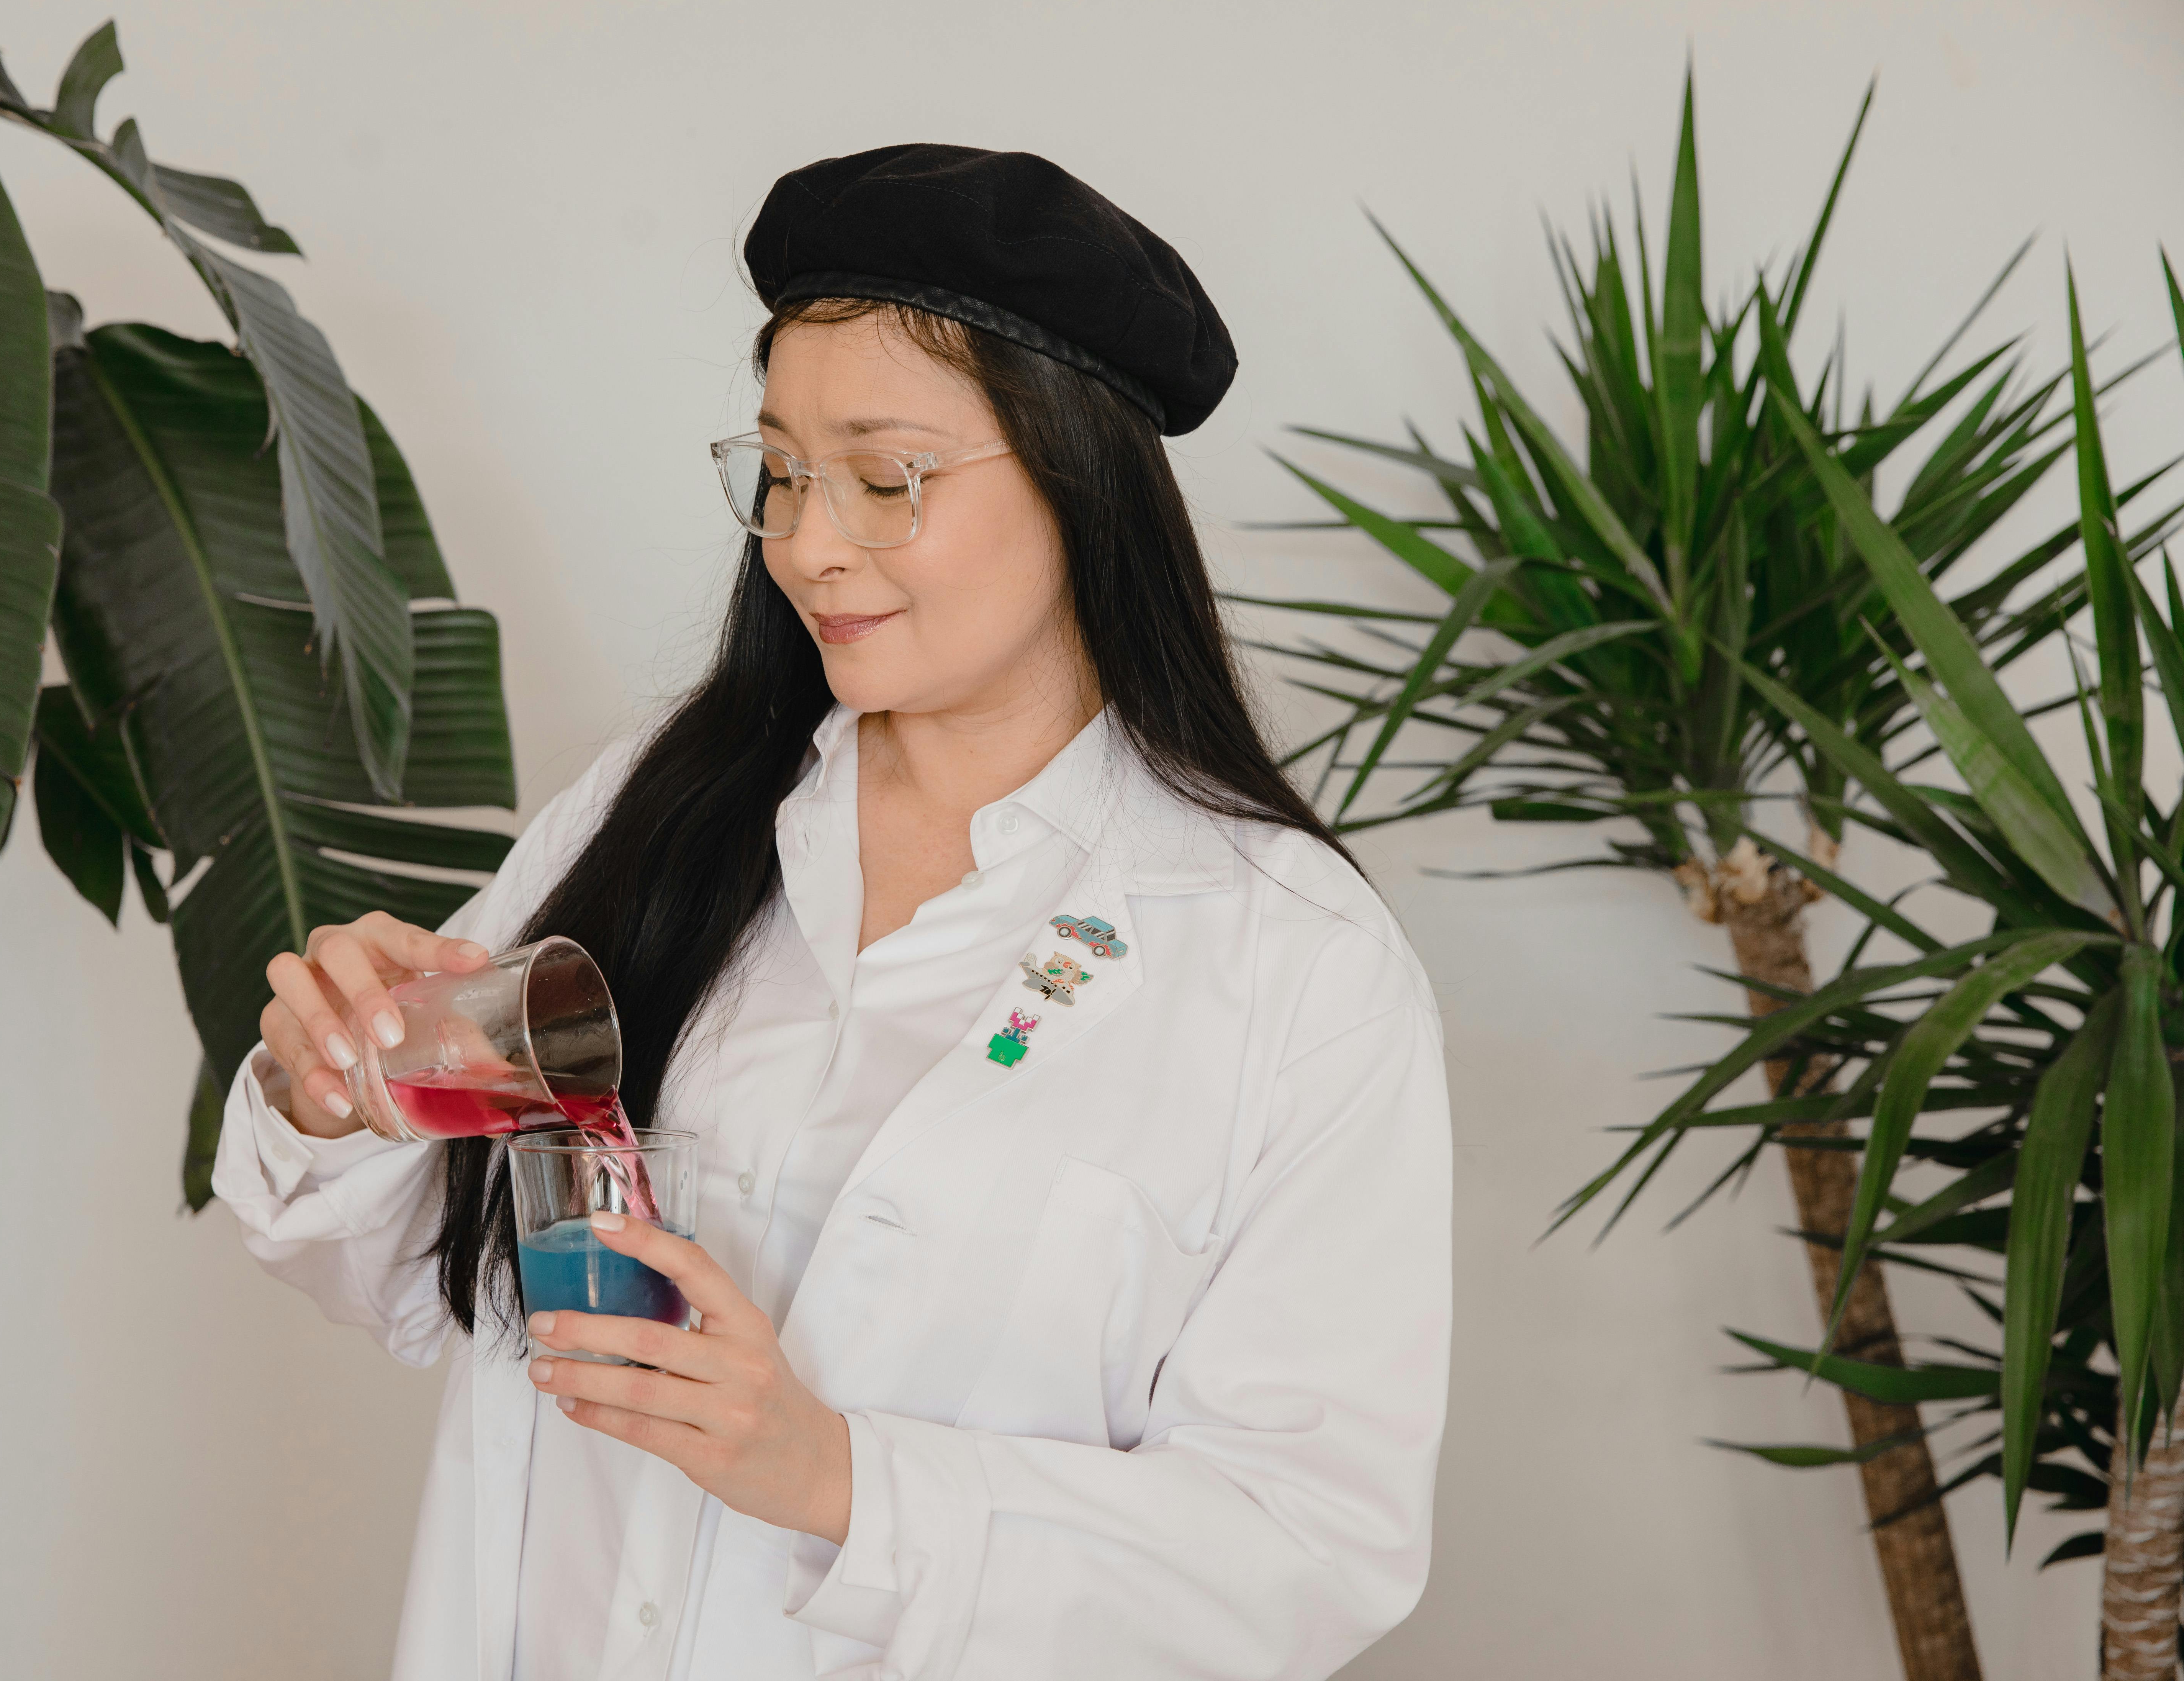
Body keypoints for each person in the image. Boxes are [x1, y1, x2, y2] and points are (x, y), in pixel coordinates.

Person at [215, 144, 1452, 1681]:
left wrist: (834, 1478)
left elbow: (1312, 1552)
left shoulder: (1293, 962)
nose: (808, 542)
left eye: (887, 478)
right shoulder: (649, 818)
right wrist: (344, 1083)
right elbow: (409, 1277)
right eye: (783, 471)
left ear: (1080, 480)